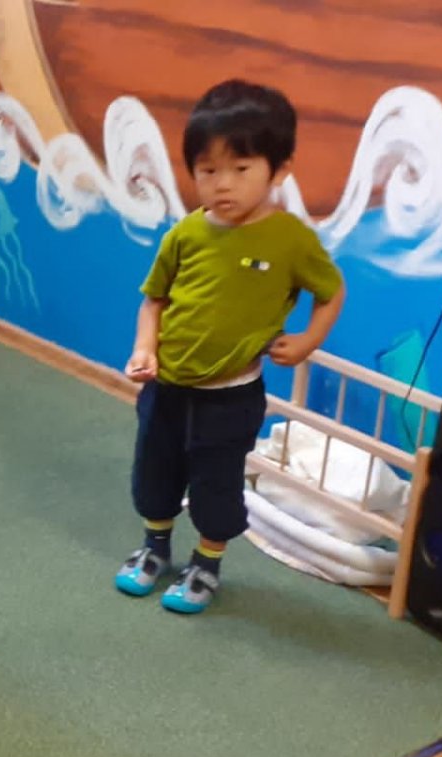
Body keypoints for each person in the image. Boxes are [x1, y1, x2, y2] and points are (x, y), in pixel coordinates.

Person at [117, 79, 346, 614]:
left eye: (241, 169)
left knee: (216, 486)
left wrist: (308, 341)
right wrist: (144, 347)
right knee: (154, 474)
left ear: (279, 169)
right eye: (208, 171)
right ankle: (154, 549)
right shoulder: (186, 234)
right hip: (167, 386)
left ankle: (206, 564)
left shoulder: (291, 240)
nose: (223, 185)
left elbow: (331, 293)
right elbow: (154, 299)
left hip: (230, 395)